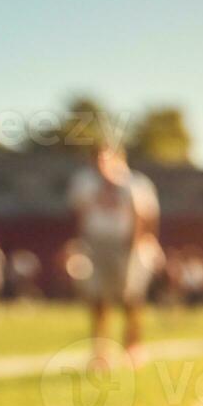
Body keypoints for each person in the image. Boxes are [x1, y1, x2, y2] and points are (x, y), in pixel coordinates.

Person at [68, 144, 162, 366]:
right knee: (98, 297)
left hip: (127, 245)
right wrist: (81, 243)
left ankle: (132, 345)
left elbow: (146, 216)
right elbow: (81, 214)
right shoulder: (85, 182)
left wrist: (140, 244)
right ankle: (100, 353)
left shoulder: (136, 183)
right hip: (96, 244)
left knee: (131, 298)